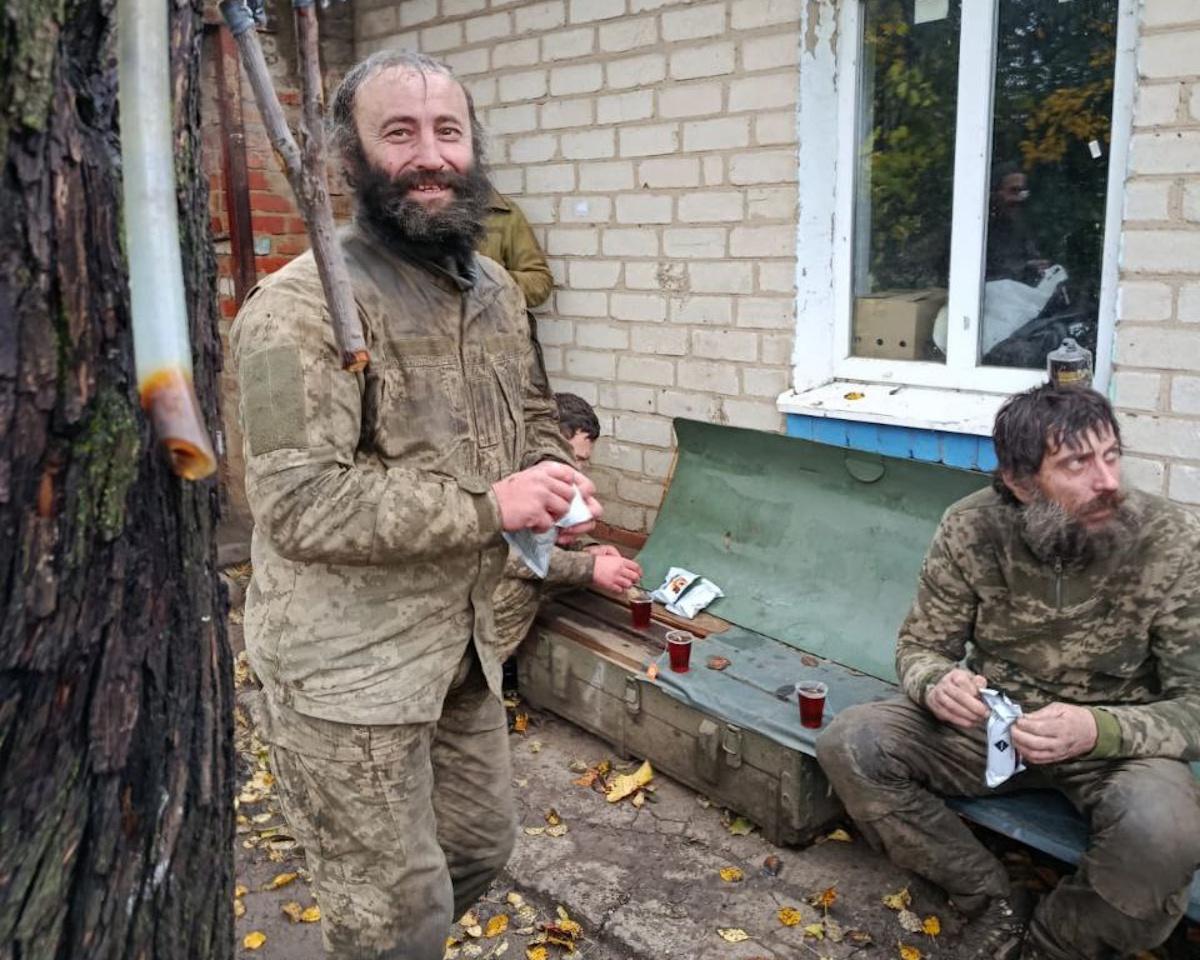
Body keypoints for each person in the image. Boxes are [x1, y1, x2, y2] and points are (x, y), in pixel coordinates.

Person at [229, 50, 602, 960]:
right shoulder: (297, 308)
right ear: (349, 156)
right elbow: (299, 504)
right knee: (393, 917)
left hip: (465, 650)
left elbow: (535, 413)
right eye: (399, 133)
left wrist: (556, 478)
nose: (430, 155)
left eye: (448, 131)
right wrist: (492, 505)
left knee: (478, 848)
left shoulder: (497, 291)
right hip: (348, 675)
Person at [816, 385, 1200, 960]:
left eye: (1112, 455)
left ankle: (1050, 945)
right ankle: (990, 899)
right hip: (996, 725)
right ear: (1021, 482)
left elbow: (1195, 705)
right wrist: (937, 683)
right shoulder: (972, 527)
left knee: (1162, 835)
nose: (1108, 482)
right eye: (1077, 463)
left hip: (1117, 743)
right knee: (852, 743)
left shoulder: (1170, 542)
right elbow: (921, 646)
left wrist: (1098, 729)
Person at [493, 393, 643, 659]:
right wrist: (590, 567)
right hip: (476, 637)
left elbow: (548, 532)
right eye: (575, 458)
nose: (579, 469)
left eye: (584, 460)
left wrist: (587, 549)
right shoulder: (504, 479)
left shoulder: (542, 476)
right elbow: (502, 552)